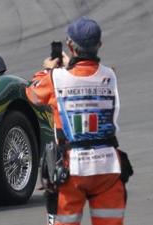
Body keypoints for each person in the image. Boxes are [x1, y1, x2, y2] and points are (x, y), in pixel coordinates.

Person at [26, 17, 131, 225]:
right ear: (99, 45)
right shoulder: (110, 76)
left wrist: (48, 70)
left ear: (70, 45)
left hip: (72, 168)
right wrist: (71, 64)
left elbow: (33, 94)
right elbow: (88, 75)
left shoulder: (55, 78)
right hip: (108, 166)